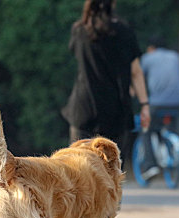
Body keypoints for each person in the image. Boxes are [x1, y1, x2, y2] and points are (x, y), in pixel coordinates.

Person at [61, 0, 150, 152]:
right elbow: (135, 72)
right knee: (110, 171)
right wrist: (144, 105)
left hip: (83, 109)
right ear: (113, 3)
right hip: (115, 112)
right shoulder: (124, 31)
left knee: (78, 169)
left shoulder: (79, 30)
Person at [139, 35, 179, 179]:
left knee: (146, 129)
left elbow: (139, 78)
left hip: (157, 103)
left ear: (151, 48)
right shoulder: (175, 57)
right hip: (178, 102)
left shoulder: (148, 58)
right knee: (171, 128)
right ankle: (171, 152)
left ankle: (150, 165)